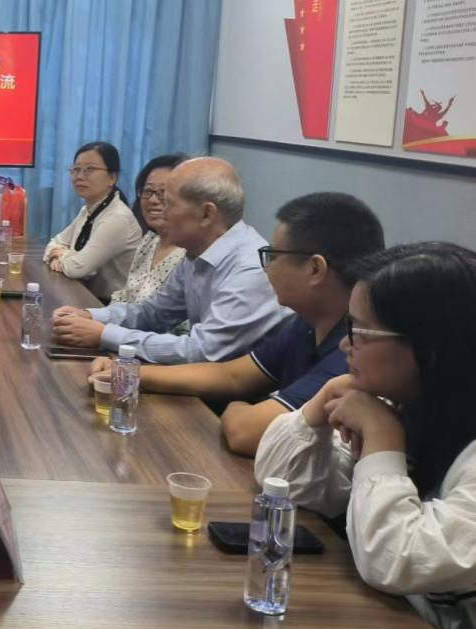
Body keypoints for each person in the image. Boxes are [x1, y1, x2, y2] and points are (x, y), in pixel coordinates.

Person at [255, 243, 476, 629]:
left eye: (358, 331)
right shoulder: (404, 403)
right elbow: (284, 482)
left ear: (429, 347)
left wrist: (381, 438)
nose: (345, 345)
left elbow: (396, 560)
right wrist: (317, 411)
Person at [88, 192, 384, 456]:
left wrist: (238, 407)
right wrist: (129, 372)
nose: (265, 268)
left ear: (315, 269)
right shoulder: (305, 324)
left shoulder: (354, 353)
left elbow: (244, 432)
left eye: (272, 256)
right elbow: (231, 376)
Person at [52, 156, 284, 364]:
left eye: (169, 203)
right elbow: (155, 312)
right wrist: (91, 316)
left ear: (206, 214)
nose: (161, 212)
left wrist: (104, 334)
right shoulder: (196, 251)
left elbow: (202, 351)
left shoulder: (250, 269)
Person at [43, 141, 143, 301]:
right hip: (87, 295)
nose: (79, 176)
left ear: (112, 177)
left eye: (89, 169)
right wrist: (56, 256)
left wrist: (63, 254)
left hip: (114, 306)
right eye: (76, 169)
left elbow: (77, 269)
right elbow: (55, 243)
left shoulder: (117, 218)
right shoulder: (89, 210)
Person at [110, 152, 188, 304]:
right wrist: (90, 315)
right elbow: (125, 295)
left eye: (163, 192)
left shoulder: (190, 256)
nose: (152, 200)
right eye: (148, 191)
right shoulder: (149, 242)